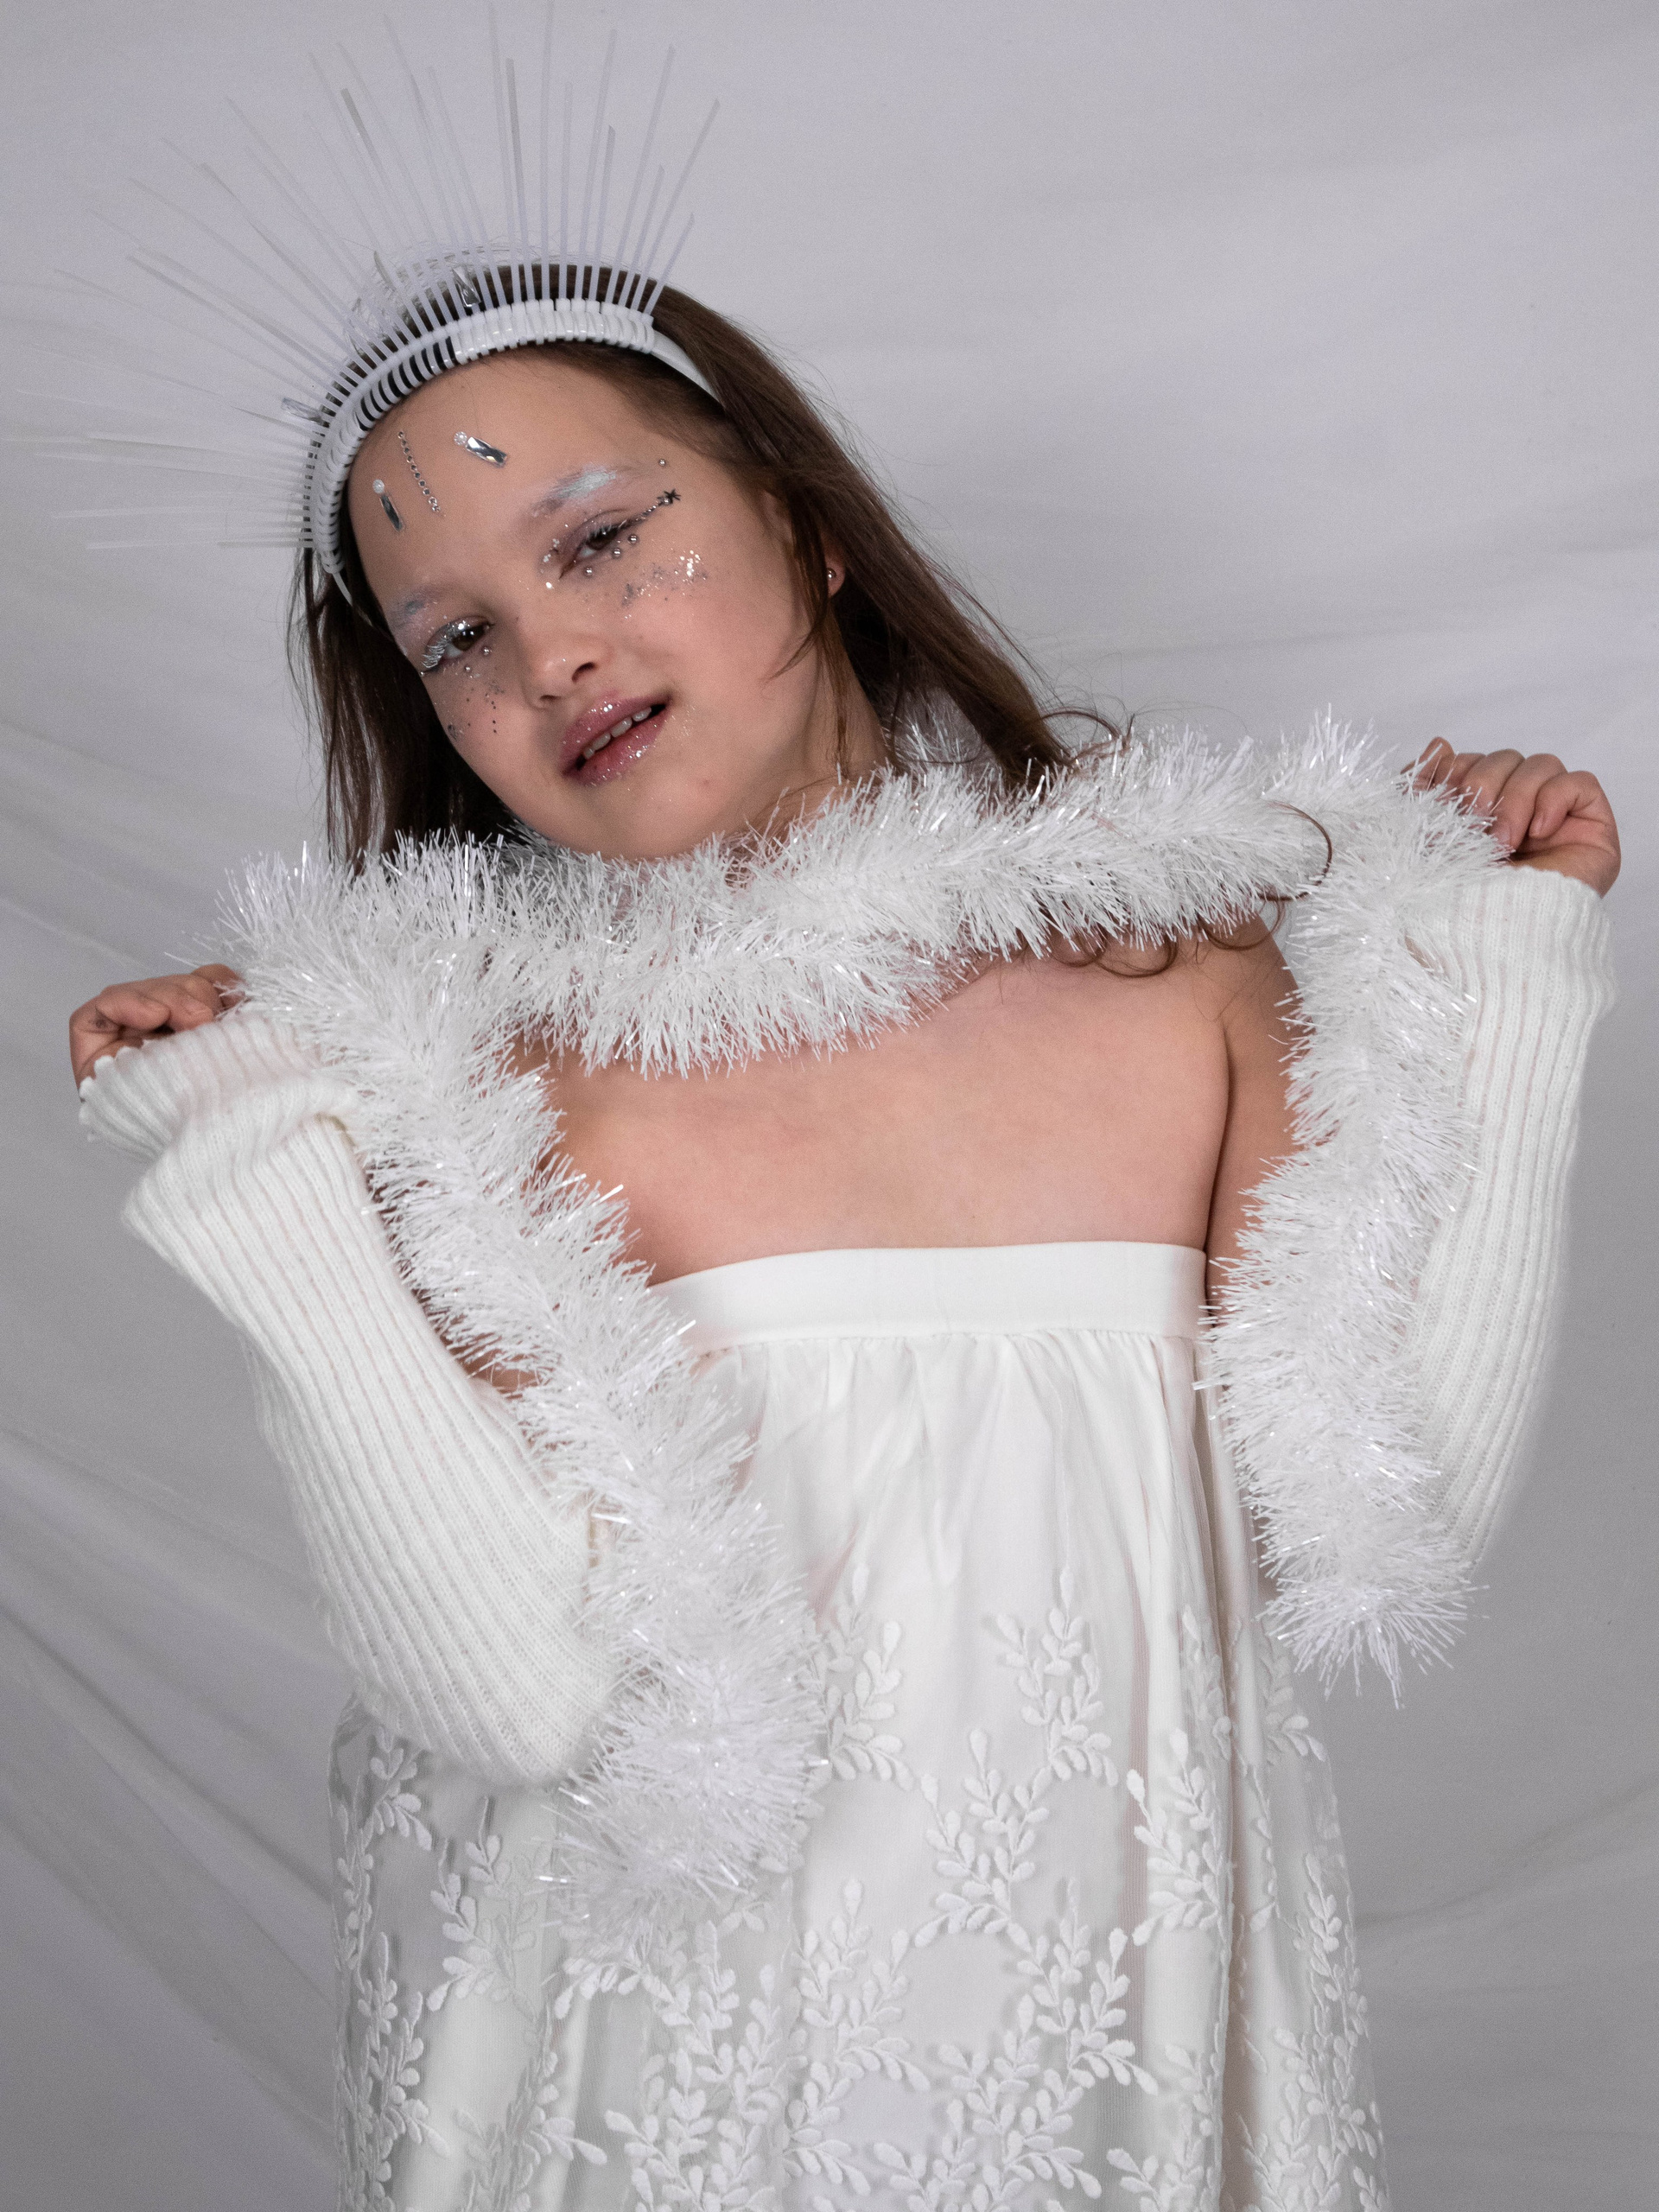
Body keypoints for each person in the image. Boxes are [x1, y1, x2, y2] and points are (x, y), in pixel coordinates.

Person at [64, 66, 1618, 2212]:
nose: (558, 650)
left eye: (600, 536)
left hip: (1105, 2075)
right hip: (658, 2099)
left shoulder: (1192, 981)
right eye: (460, 640)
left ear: (799, 519)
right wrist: (266, 1183)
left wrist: (1519, 974)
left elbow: (1374, 1512)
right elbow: (511, 1693)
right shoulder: (482, 1087)